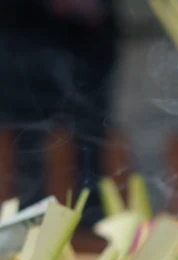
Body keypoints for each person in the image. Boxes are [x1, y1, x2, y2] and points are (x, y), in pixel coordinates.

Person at [0, 0, 117, 227]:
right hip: (14, 25)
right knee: (10, 127)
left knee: (75, 129)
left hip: (81, 36)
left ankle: (72, 229)